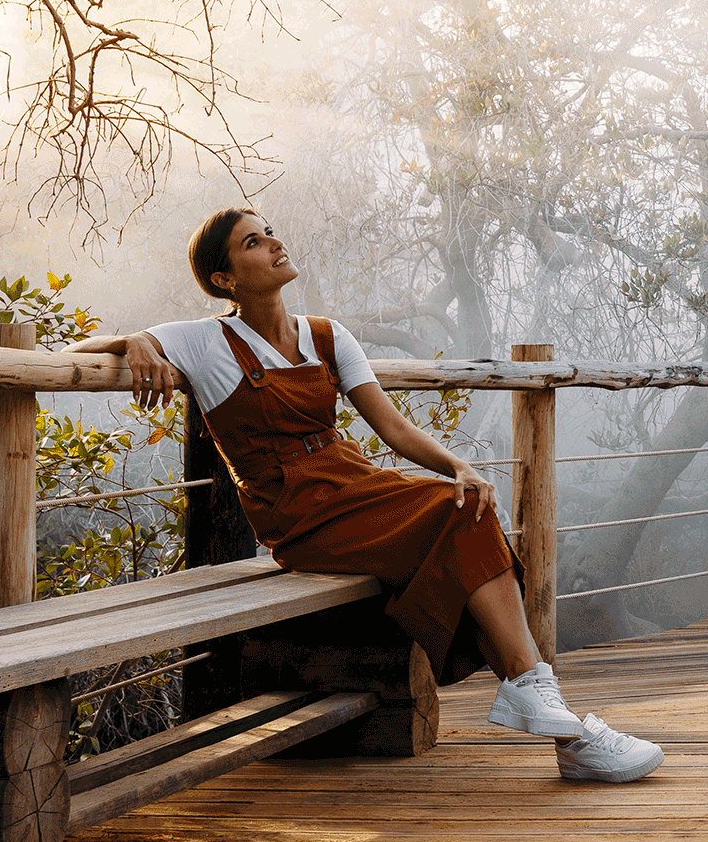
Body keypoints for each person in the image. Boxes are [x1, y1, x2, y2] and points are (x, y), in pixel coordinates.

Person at [64, 208, 662, 783]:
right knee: (453, 517)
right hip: (299, 517)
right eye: (253, 242)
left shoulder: (325, 336)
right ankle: (553, 712)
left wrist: (461, 467)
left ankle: (545, 704)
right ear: (224, 279)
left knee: (466, 503)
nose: (274, 243)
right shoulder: (201, 341)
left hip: (355, 485)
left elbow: (395, 431)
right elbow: (69, 355)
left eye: (270, 233)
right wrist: (137, 343)